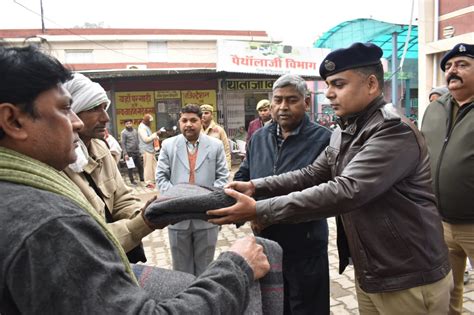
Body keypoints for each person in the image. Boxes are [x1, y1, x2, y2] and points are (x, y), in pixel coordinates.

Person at [0, 44, 270, 314]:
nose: (77, 123)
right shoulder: (50, 223)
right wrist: (236, 266)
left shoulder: (33, 182)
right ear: (12, 121)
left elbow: (122, 197)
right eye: (65, 108)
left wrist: (158, 209)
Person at [208, 42, 453, 314]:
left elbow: (345, 190)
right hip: (373, 269)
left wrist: (259, 209)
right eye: (328, 85)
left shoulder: (391, 132)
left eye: (338, 84)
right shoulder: (345, 130)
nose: (329, 94)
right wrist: (255, 185)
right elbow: (311, 173)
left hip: (408, 273)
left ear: (371, 84)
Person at [234, 73, 332, 314]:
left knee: (308, 308)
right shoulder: (259, 137)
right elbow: (244, 174)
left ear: (306, 103)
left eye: (291, 100)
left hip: (305, 245)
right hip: (265, 244)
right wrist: (242, 204)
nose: (283, 107)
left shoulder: (324, 140)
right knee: (275, 307)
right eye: (277, 100)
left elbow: (322, 193)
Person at [62, 73, 152, 263]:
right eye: (94, 109)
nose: (105, 118)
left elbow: (121, 198)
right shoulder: (59, 161)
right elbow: (87, 240)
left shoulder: (100, 147)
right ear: (73, 113)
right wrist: (142, 224)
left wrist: (145, 213)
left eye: (104, 108)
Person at [421, 43, 474, 315]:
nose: (453, 70)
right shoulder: (435, 109)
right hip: (438, 222)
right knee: (448, 289)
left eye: (462, 64)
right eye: (449, 66)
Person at [156, 104, 229, 276]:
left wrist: (205, 199)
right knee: (181, 269)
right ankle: (184, 300)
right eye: (184, 120)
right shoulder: (168, 145)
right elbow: (160, 178)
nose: (189, 124)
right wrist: (178, 199)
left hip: (207, 215)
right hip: (176, 216)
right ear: (179, 122)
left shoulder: (216, 145)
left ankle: (203, 299)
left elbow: (223, 178)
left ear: (201, 121)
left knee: (205, 266)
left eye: (193, 120)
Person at [200, 104, 232, 170]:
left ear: (212, 115)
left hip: (216, 165)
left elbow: (226, 150)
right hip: (200, 166)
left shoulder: (219, 130)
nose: (203, 115)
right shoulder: (197, 130)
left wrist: (227, 168)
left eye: (206, 113)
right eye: (201, 113)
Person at [138, 113, 159, 189]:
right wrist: (154, 135)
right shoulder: (142, 128)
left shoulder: (146, 127)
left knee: (154, 165)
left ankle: (155, 179)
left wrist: (155, 135)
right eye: (149, 121)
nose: (150, 123)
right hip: (146, 150)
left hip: (150, 149)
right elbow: (146, 139)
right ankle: (148, 182)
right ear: (146, 121)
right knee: (147, 167)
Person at [121, 118, 144, 185]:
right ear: (125, 124)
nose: (129, 125)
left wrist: (140, 150)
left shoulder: (135, 131)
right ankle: (132, 180)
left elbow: (137, 141)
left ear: (132, 123)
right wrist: (125, 154)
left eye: (130, 123)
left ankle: (142, 178)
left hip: (136, 151)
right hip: (129, 152)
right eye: (127, 123)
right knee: (130, 167)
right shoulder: (124, 133)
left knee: (140, 165)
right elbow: (123, 144)